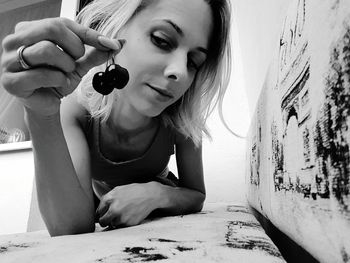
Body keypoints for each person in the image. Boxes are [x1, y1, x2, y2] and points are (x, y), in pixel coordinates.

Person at [0, 0, 231, 236]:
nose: (180, 73)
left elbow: (195, 195)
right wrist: (40, 114)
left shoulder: (182, 121)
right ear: (115, 30)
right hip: (99, 204)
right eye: (162, 40)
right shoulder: (77, 110)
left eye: (194, 62)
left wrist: (153, 194)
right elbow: (71, 230)